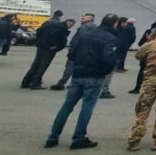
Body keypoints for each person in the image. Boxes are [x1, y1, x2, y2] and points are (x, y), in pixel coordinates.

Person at [44, 13, 119, 150]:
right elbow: (109, 60)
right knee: (87, 108)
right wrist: (105, 71)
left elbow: (72, 53)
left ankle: (53, 137)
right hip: (95, 76)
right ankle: (78, 138)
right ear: (114, 24)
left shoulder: (86, 35)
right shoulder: (110, 38)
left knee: (67, 106)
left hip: (78, 74)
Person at [22, 17, 74, 89]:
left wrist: (39, 42)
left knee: (35, 64)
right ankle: (35, 83)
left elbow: (39, 31)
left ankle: (25, 82)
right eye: (71, 26)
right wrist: (55, 47)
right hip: (49, 50)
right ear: (69, 23)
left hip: (41, 47)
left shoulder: (49, 24)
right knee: (43, 66)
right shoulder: (62, 28)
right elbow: (61, 40)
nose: (70, 27)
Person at [51, 13, 95, 89]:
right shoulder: (94, 27)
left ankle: (61, 83)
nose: (81, 18)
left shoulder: (84, 27)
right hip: (87, 52)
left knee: (70, 67)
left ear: (89, 19)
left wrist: (72, 50)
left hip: (78, 51)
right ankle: (76, 84)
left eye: (84, 18)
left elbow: (78, 40)